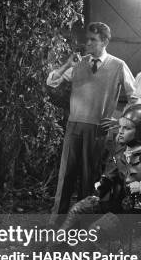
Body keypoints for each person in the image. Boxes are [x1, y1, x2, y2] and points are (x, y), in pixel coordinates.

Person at [47, 22, 136, 224]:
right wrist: (67, 64)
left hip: (97, 130)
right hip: (74, 126)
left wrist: (119, 120)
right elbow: (51, 81)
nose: (87, 43)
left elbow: (136, 97)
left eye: (93, 40)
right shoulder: (78, 63)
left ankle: (82, 223)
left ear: (105, 41)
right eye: (87, 39)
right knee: (65, 177)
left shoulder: (118, 65)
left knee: (90, 178)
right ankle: (56, 222)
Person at [57, 103, 141, 232]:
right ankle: (57, 243)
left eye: (127, 128)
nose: (120, 132)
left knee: (95, 230)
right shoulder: (121, 152)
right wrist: (101, 187)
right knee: (78, 209)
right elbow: (110, 176)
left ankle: (88, 247)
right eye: (120, 127)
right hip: (120, 206)